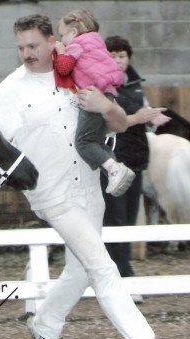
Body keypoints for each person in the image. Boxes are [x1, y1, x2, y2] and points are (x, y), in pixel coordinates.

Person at [0, 14, 172, 339]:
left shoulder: (78, 72)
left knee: (79, 269)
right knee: (102, 266)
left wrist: (106, 107)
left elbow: (116, 122)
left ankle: (45, 324)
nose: (26, 54)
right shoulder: (10, 91)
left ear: (52, 41)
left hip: (88, 185)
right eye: (20, 47)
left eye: (33, 46)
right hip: (51, 192)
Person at [102, 35, 170, 303]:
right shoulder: (104, 84)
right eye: (113, 55)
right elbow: (119, 116)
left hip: (136, 160)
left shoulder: (135, 84)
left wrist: (152, 119)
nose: (118, 61)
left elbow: (145, 119)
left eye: (122, 55)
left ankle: (120, 273)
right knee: (115, 220)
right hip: (113, 162)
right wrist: (144, 115)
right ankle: (123, 277)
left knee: (129, 221)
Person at [54, 9, 134, 198]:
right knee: (96, 142)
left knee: (83, 142)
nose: (61, 39)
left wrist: (60, 51)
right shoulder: (97, 43)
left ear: (73, 32)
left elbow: (64, 69)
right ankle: (116, 170)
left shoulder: (76, 45)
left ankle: (114, 170)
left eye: (62, 35)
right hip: (108, 93)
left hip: (92, 95)